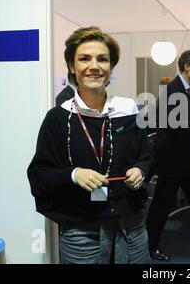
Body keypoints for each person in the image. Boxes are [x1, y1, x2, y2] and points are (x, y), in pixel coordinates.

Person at [27, 26, 151, 264]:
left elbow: (146, 157)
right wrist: (74, 175)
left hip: (132, 228)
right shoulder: (58, 118)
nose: (94, 66)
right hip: (82, 232)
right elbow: (39, 175)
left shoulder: (128, 109)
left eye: (102, 59)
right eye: (84, 58)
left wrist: (141, 171)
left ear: (111, 67)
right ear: (73, 67)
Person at [146, 50, 190, 262]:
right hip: (172, 161)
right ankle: (150, 247)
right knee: (161, 205)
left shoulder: (183, 89)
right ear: (187, 66)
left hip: (185, 161)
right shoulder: (173, 90)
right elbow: (179, 126)